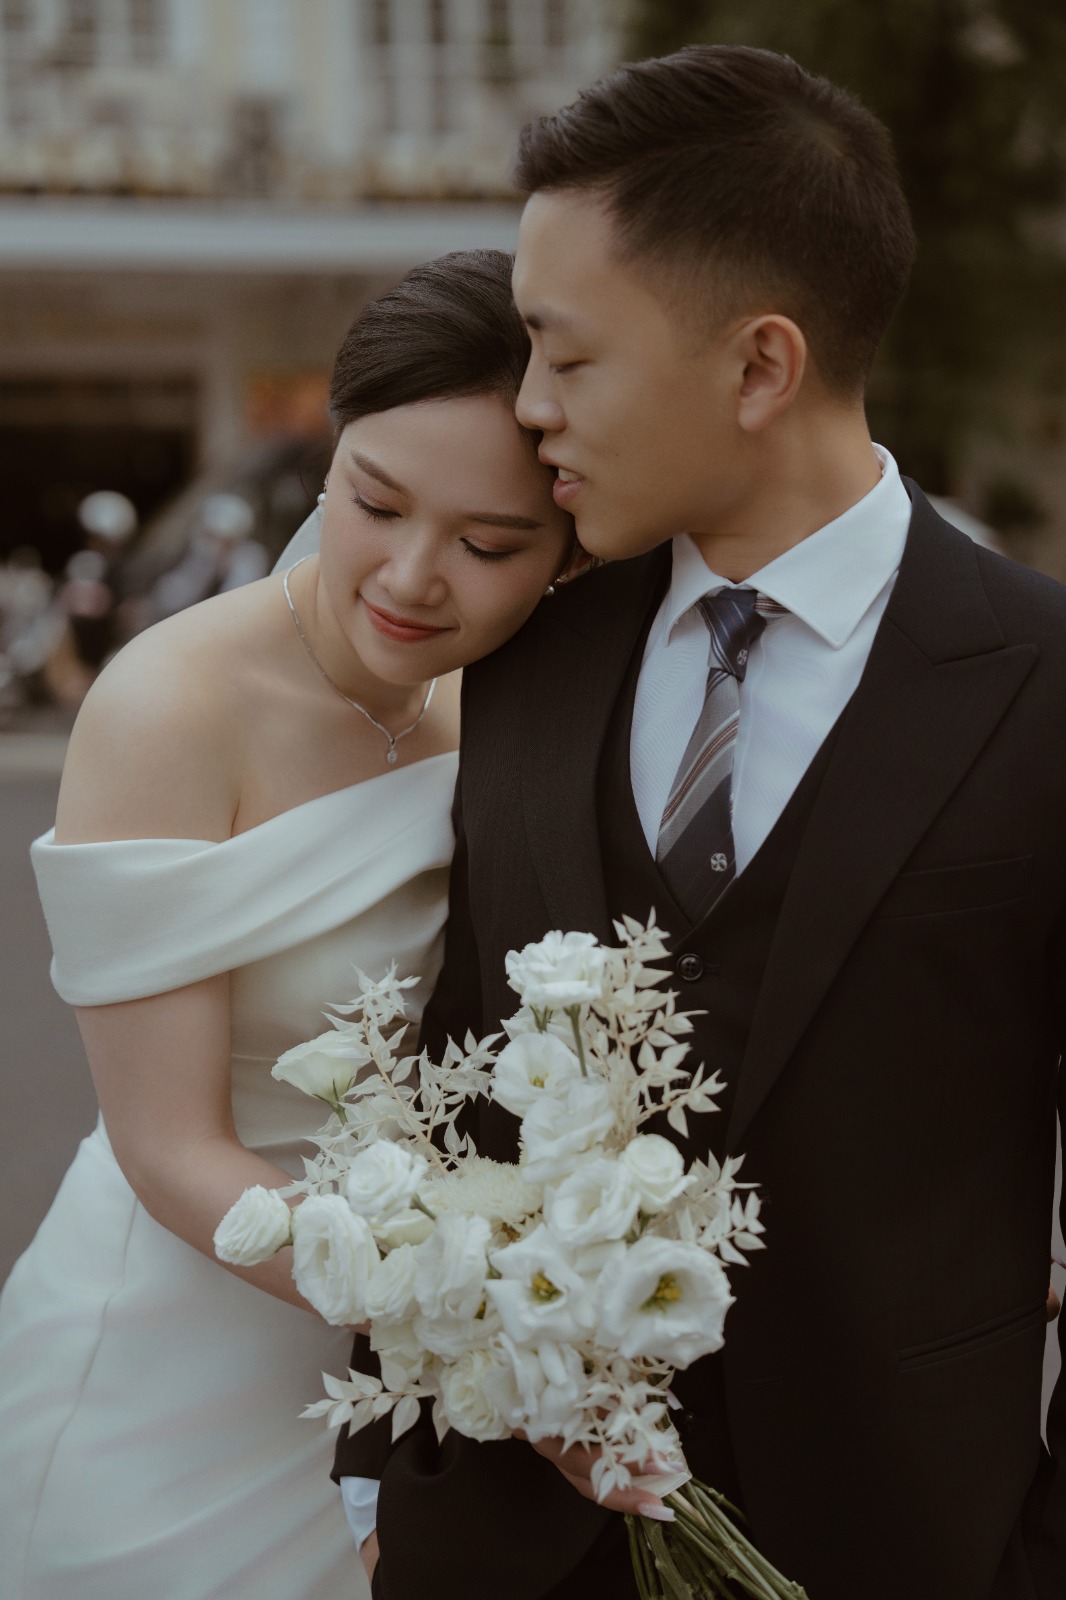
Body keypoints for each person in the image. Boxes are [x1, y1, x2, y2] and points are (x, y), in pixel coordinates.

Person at [335, 46, 1066, 1600]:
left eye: (565, 356)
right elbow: (447, 1073)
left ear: (757, 367)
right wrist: (384, 1469)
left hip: (906, 1536)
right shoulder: (524, 651)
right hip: (502, 1540)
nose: (528, 409)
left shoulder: (1044, 683)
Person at [0, 250, 576, 1600]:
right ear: (325, 458)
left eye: (490, 545)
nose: (415, 577)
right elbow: (166, 1144)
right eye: (374, 503)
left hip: (411, 1389)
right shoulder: (171, 706)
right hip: (179, 1362)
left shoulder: (527, 696)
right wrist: (465, 1322)